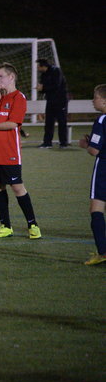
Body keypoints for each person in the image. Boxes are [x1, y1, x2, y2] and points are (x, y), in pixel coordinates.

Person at [0, 62, 41, 239]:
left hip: (9, 152)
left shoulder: (18, 97)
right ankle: (5, 226)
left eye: (1, 76)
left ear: (11, 77)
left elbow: (13, 123)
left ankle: (33, 225)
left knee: (17, 187)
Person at [78, 84, 106, 265]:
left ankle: (102, 253)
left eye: (95, 97)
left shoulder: (102, 120)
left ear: (104, 101)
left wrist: (85, 145)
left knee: (96, 209)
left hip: (104, 167)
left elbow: (94, 150)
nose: (92, 101)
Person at [36, 58, 69, 148]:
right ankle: (47, 143)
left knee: (62, 122)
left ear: (43, 66)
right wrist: (40, 89)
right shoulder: (43, 74)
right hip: (50, 101)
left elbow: (56, 85)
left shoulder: (56, 71)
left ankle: (63, 143)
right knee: (49, 122)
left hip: (60, 101)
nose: (37, 68)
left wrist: (43, 88)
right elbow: (44, 88)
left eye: (38, 66)